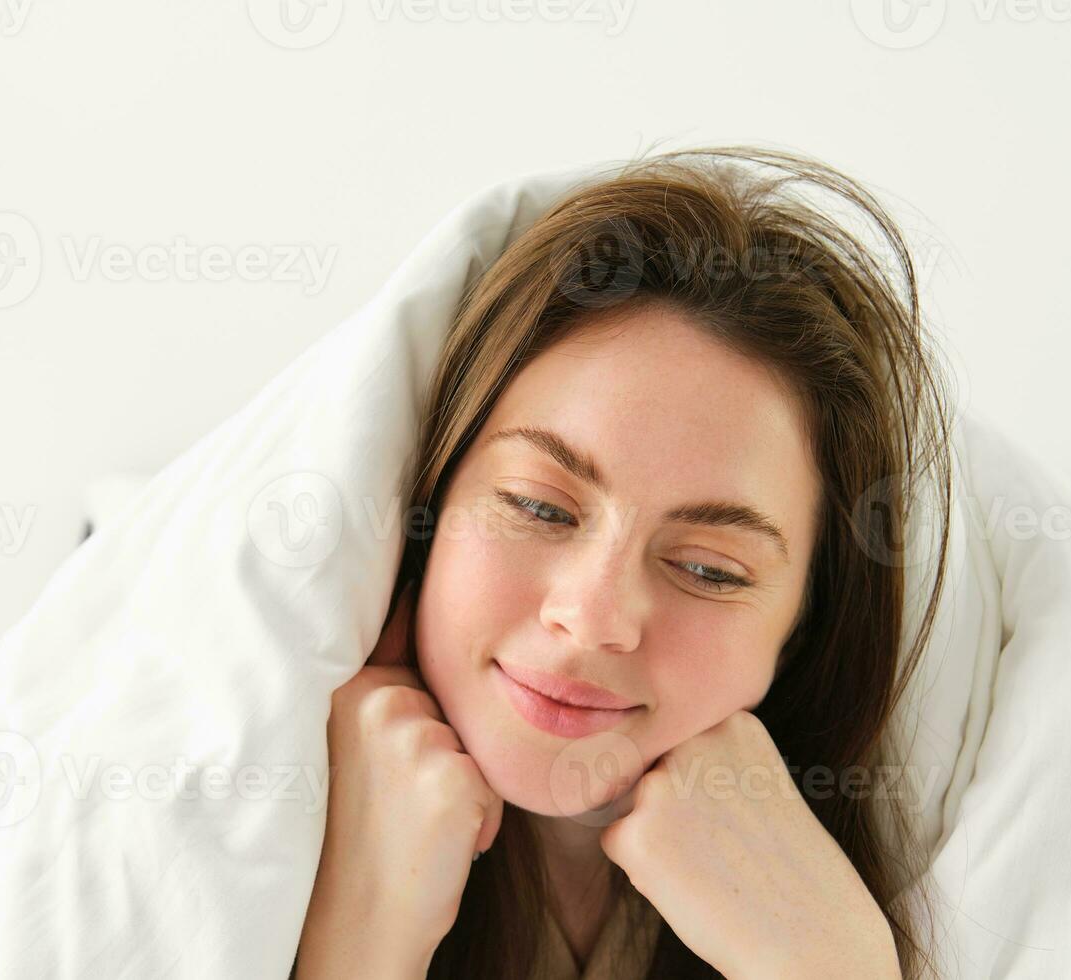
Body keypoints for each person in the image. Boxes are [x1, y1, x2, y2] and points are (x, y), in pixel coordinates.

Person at [296, 148, 953, 980]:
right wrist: (360, 945)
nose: (594, 614)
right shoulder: (221, 827)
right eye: (539, 507)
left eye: (710, 569)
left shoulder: (930, 877)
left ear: (799, 629)